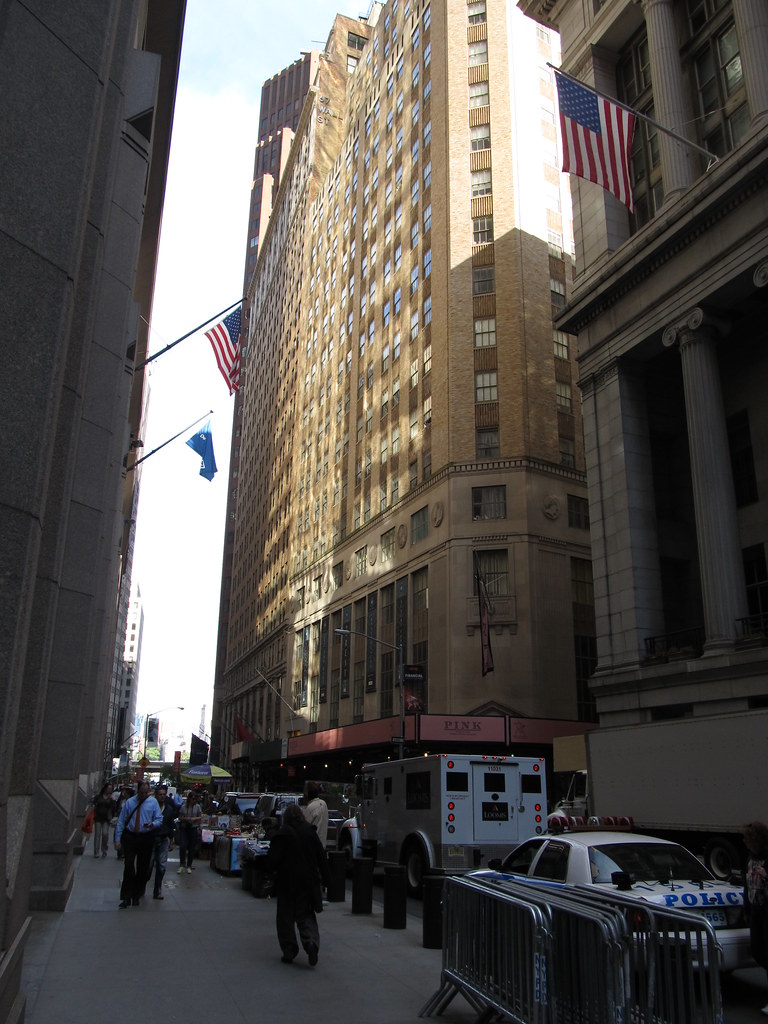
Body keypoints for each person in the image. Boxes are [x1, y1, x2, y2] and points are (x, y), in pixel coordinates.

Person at [265, 802, 330, 967]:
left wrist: (269, 874)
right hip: (307, 882)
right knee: (306, 915)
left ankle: (289, 950)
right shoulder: (310, 832)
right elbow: (321, 857)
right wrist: (327, 879)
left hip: (287, 882)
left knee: (285, 918)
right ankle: (311, 943)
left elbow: (272, 859)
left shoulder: (283, 834)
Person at [114, 780, 162, 908]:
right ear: (137, 791)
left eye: (146, 792)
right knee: (128, 865)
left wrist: (153, 824)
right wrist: (117, 839)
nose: (144, 794)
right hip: (130, 836)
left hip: (146, 836)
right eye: (142, 792)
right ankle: (125, 897)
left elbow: (159, 819)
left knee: (143, 868)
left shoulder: (153, 803)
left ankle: (136, 895)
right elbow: (121, 821)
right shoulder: (130, 803)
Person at [743, 821, 768, 1016]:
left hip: (766, 908)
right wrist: (747, 907)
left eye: (747, 838)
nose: (745, 842)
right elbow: (747, 882)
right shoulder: (751, 857)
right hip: (755, 908)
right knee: (758, 950)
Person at [151, 784, 177, 900]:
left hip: (163, 839)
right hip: (151, 839)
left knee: (161, 866)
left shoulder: (169, 809)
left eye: (163, 795)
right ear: (156, 796)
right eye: (160, 795)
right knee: (148, 866)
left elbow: (171, 825)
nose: (162, 797)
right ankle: (141, 886)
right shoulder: (151, 808)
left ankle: (157, 889)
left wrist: (171, 840)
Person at [177, 790, 202, 873]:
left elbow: (200, 816)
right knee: (183, 846)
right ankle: (182, 864)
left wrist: (194, 819)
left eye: (195, 799)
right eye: (192, 798)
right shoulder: (183, 806)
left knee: (191, 847)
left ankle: (189, 865)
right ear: (189, 799)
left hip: (193, 828)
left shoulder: (197, 807)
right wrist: (185, 819)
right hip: (184, 828)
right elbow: (179, 816)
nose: (193, 800)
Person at [90, 782, 116, 858]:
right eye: (108, 788)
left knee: (105, 834)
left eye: (111, 789)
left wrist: (114, 801)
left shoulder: (111, 798)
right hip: (98, 817)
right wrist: (94, 806)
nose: (109, 790)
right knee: (97, 835)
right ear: (105, 788)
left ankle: (104, 850)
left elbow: (114, 809)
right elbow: (93, 803)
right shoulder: (99, 797)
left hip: (106, 819)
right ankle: (96, 852)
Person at [302, 782, 329, 848]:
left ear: (308, 794)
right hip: (322, 845)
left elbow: (303, 827)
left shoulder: (310, 808)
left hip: (312, 846)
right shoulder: (324, 804)